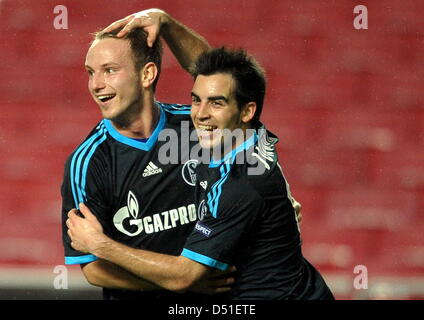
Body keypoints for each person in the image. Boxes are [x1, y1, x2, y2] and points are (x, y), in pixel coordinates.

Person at [67, 47, 333, 300]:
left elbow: (185, 276)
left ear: (247, 111)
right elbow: (225, 75)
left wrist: (100, 244)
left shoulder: (238, 183)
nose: (201, 114)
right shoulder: (238, 140)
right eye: (195, 100)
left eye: (216, 103)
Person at [61, 9, 234, 301]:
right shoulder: (87, 162)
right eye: (91, 72)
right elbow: (93, 269)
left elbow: (224, 80)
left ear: (147, 74)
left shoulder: (194, 127)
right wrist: (182, 281)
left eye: (109, 70)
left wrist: (165, 23)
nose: (95, 84)